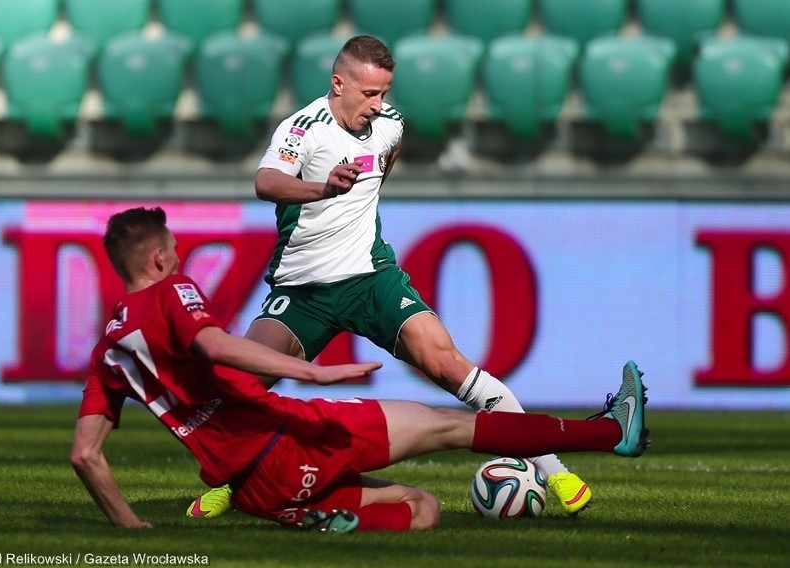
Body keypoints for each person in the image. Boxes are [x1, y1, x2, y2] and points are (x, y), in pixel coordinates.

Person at [189, 34, 593, 518]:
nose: (379, 106)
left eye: (385, 93)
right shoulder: (303, 129)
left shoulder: (391, 126)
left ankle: (558, 473)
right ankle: (227, 484)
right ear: (338, 83)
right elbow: (265, 182)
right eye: (370, 94)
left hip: (371, 280)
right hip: (304, 290)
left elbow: (380, 172)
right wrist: (322, 188)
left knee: (447, 363)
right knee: (242, 382)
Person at [71, 206, 649, 532]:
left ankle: (324, 521)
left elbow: (85, 455)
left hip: (256, 491)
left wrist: (131, 528)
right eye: (174, 246)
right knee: (446, 424)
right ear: (158, 257)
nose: (178, 254)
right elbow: (216, 345)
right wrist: (312, 374)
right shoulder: (172, 290)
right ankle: (609, 432)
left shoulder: (108, 351)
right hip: (290, 437)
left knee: (420, 511)